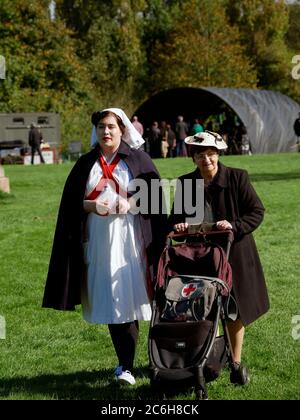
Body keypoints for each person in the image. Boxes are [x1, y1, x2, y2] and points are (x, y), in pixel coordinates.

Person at [42, 108, 167, 386]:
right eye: (101, 127)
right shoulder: (86, 163)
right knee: (113, 300)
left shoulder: (139, 160)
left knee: (133, 299)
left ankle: (152, 362)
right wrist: (91, 205)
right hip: (99, 240)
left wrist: (131, 203)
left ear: (122, 129)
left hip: (132, 240)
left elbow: (157, 198)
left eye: (111, 127)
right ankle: (126, 365)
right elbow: (71, 203)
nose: (106, 132)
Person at [168, 130, 269, 385]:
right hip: (199, 258)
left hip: (233, 256)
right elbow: (174, 220)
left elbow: (256, 211)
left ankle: (235, 362)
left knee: (234, 310)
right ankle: (201, 357)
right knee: (199, 310)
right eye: (200, 155)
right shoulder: (185, 184)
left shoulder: (237, 178)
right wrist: (180, 227)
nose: (207, 160)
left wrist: (234, 225)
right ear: (193, 158)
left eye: (211, 154)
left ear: (218, 155)